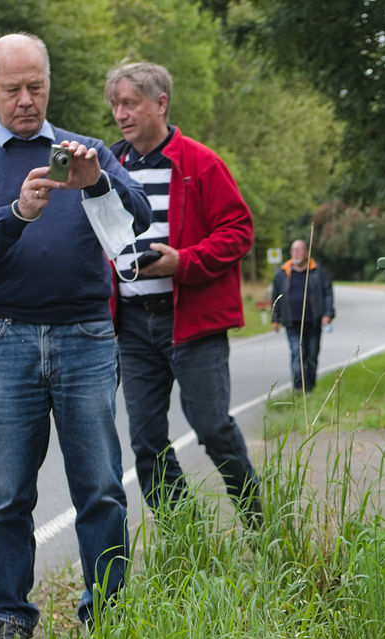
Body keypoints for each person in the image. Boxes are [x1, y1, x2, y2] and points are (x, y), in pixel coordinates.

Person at [0, 33, 151, 639]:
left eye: (37, 87)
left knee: (101, 486)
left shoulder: (83, 151)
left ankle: (107, 617)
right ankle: (11, 621)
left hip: (85, 335)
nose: (27, 100)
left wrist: (95, 184)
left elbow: (136, 219)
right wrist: (18, 214)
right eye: (12, 89)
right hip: (5, 338)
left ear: (49, 84)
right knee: (5, 492)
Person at [105, 61, 263, 528]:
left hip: (190, 319)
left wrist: (184, 262)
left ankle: (261, 527)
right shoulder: (107, 168)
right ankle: (185, 538)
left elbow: (239, 231)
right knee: (147, 442)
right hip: (132, 325)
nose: (120, 114)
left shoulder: (200, 162)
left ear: (161, 103)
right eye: (115, 105)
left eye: (129, 103)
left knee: (212, 427)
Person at [269, 239, 334, 392]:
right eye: (294, 250)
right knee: (297, 355)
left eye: (300, 250)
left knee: (311, 357)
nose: (296, 253)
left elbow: (328, 293)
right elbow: (275, 297)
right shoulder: (282, 273)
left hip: (313, 322)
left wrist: (327, 314)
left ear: (306, 252)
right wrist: (275, 319)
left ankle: (310, 388)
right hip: (292, 323)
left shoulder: (318, 272)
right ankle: (299, 388)